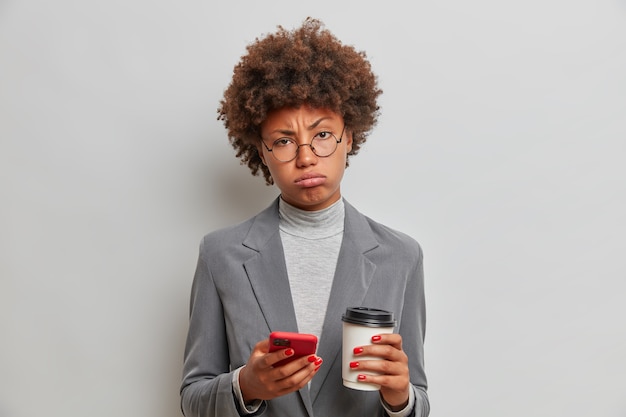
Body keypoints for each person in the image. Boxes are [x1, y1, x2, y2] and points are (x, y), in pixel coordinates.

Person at [180, 18, 429, 417]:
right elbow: (193, 399)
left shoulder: (401, 256)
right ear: (261, 152)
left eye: (323, 135)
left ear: (349, 136)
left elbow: (417, 396)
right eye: (283, 141)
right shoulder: (219, 254)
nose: (306, 157)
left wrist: (401, 398)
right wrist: (247, 385)